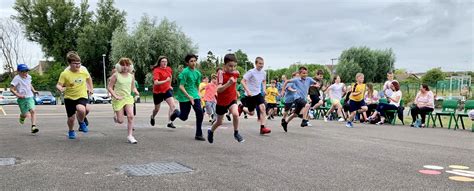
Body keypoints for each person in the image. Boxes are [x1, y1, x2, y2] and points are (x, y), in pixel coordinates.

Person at [207, 53, 245, 143]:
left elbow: (238, 74)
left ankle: (236, 133)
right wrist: (228, 83)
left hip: (232, 99)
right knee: (219, 122)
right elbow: (218, 89)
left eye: (235, 66)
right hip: (222, 102)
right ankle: (211, 131)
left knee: (235, 114)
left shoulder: (235, 73)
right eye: (230, 66)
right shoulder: (221, 73)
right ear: (224, 66)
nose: (233, 68)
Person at [56, 51, 93, 139]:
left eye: (79, 63)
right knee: (71, 119)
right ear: (69, 63)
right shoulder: (65, 73)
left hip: (81, 95)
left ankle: (81, 122)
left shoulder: (83, 71)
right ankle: (71, 130)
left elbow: (89, 78)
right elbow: (58, 84)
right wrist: (60, 88)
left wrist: (91, 88)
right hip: (69, 97)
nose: (78, 65)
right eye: (75, 63)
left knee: (82, 109)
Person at [170, 54, 205, 141]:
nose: (193, 63)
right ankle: (176, 113)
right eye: (191, 61)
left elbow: (197, 86)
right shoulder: (185, 72)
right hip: (184, 96)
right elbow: (181, 87)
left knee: (200, 112)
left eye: (194, 61)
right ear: (187, 63)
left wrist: (199, 97)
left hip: (194, 96)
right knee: (184, 117)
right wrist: (188, 96)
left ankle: (198, 134)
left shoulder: (197, 73)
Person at [107, 58, 140, 144]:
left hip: (128, 98)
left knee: (131, 116)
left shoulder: (131, 76)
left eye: (127, 65)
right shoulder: (116, 75)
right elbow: (110, 87)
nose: (125, 67)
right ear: (119, 66)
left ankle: (130, 136)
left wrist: (136, 92)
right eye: (123, 65)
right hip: (118, 99)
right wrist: (115, 96)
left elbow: (133, 87)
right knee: (120, 121)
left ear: (130, 66)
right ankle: (116, 116)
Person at [240, 57, 272, 135]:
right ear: (256, 64)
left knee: (263, 108)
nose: (261, 65)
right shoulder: (251, 72)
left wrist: (264, 89)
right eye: (260, 64)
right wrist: (247, 90)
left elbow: (264, 81)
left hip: (257, 94)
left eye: (262, 64)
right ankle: (241, 107)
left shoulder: (264, 73)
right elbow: (242, 81)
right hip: (250, 95)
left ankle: (262, 128)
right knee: (251, 113)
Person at [280, 66, 317, 131]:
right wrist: (283, 90)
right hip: (297, 98)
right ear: (300, 74)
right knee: (307, 105)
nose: (305, 75)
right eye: (303, 73)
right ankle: (304, 120)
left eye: (306, 73)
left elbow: (315, 82)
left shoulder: (309, 79)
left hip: (303, 99)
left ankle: (285, 123)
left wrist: (316, 84)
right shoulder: (296, 80)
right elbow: (286, 81)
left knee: (295, 114)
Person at [149, 56, 179, 128]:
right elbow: (156, 83)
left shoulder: (169, 69)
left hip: (166, 90)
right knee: (156, 109)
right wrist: (166, 81)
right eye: (163, 61)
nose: (164, 63)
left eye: (166, 61)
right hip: (157, 92)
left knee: (173, 105)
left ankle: (169, 122)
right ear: (160, 62)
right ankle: (152, 117)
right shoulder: (156, 70)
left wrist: (170, 85)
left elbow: (170, 77)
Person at [10, 64, 39, 133]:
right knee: (25, 114)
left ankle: (33, 127)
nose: (25, 73)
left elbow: (29, 84)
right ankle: (22, 116)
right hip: (21, 99)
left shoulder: (29, 77)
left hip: (29, 97)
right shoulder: (16, 78)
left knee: (33, 111)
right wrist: (18, 95)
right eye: (23, 71)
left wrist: (34, 90)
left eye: (26, 71)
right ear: (18, 72)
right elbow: (11, 89)